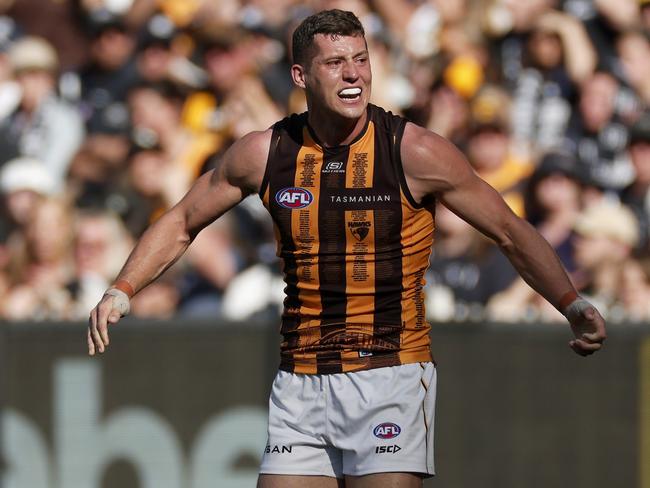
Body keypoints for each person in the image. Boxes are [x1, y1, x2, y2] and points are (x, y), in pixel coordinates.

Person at [88, 9, 607, 488]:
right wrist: (122, 289)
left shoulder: (414, 151)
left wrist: (571, 303)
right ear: (300, 76)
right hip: (299, 381)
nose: (353, 74)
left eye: (361, 60)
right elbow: (179, 220)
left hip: (390, 375)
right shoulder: (263, 153)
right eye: (335, 63)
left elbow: (510, 232)